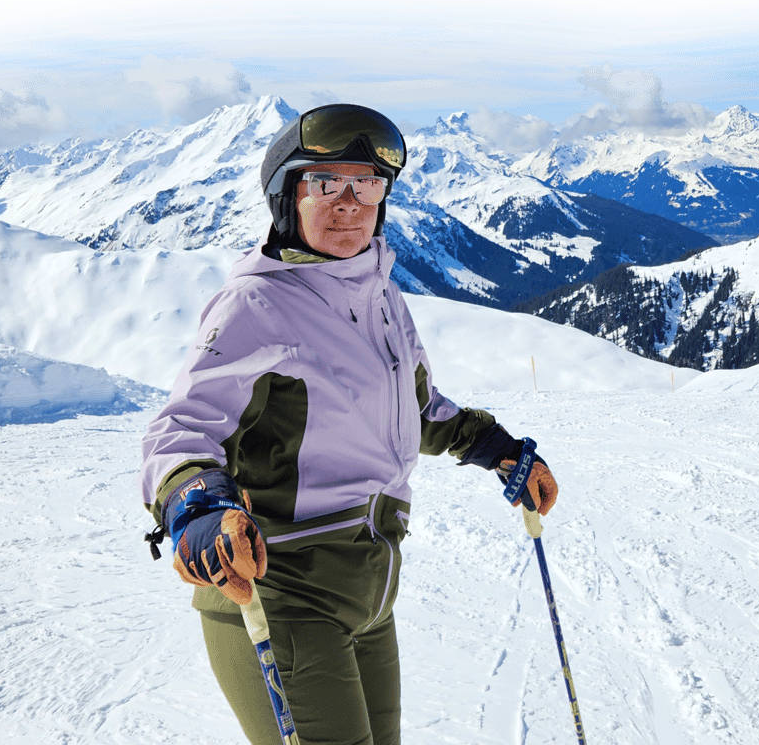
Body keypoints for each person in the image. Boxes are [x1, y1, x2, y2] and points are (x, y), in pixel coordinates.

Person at [139, 104, 560, 745]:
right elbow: (181, 428)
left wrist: (495, 448)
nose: (349, 204)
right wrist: (195, 505)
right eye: (325, 183)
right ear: (288, 197)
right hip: (279, 591)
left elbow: (416, 407)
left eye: (366, 184)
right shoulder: (258, 303)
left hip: (369, 592)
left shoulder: (379, 290)